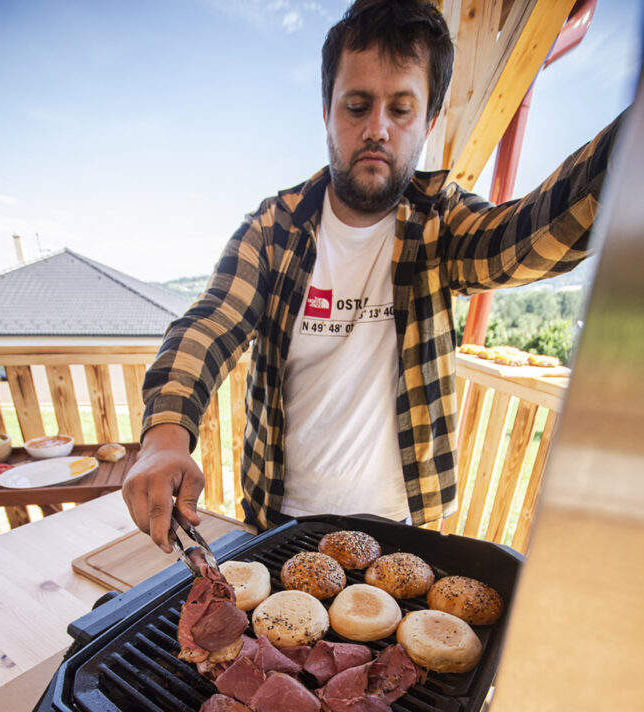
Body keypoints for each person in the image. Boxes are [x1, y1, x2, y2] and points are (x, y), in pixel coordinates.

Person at [123, 0, 621, 550]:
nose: (377, 129)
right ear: (327, 111)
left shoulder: (442, 223)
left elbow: (532, 236)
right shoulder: (272, 228)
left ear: (429, 121)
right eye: (357, 105)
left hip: (401, 529)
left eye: (401, 109)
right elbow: (209, 324)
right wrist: (165, 435)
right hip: (281, 524)